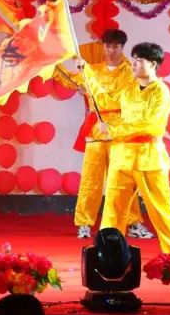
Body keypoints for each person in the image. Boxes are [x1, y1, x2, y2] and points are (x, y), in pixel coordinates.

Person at [81, 42, 170, 258]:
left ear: (153, 64)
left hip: (148, 157)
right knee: (112, 211)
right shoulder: (128, 89)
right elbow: (105, 101)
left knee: (160, 210)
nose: (134, 64)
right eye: (134, 60)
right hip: (122, 157)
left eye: (139, 60)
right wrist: (88, 73)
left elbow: (151, 125)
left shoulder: (161, 91)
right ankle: (108, 256)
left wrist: (114, 130)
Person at [61, 29, 151, 240]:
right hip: (96, 131)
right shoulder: (92, 69)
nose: (111, 50)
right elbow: (71, 81)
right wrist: (54, 66)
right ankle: (84, 223)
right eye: (108, 46)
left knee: (124, 180)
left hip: (120, 131)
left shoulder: (131, 72)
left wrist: (89, 80)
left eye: (116, 46)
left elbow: (115, 98)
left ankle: (133, 222)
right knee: (90, 179)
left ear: (122, 47)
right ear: (103, 46)